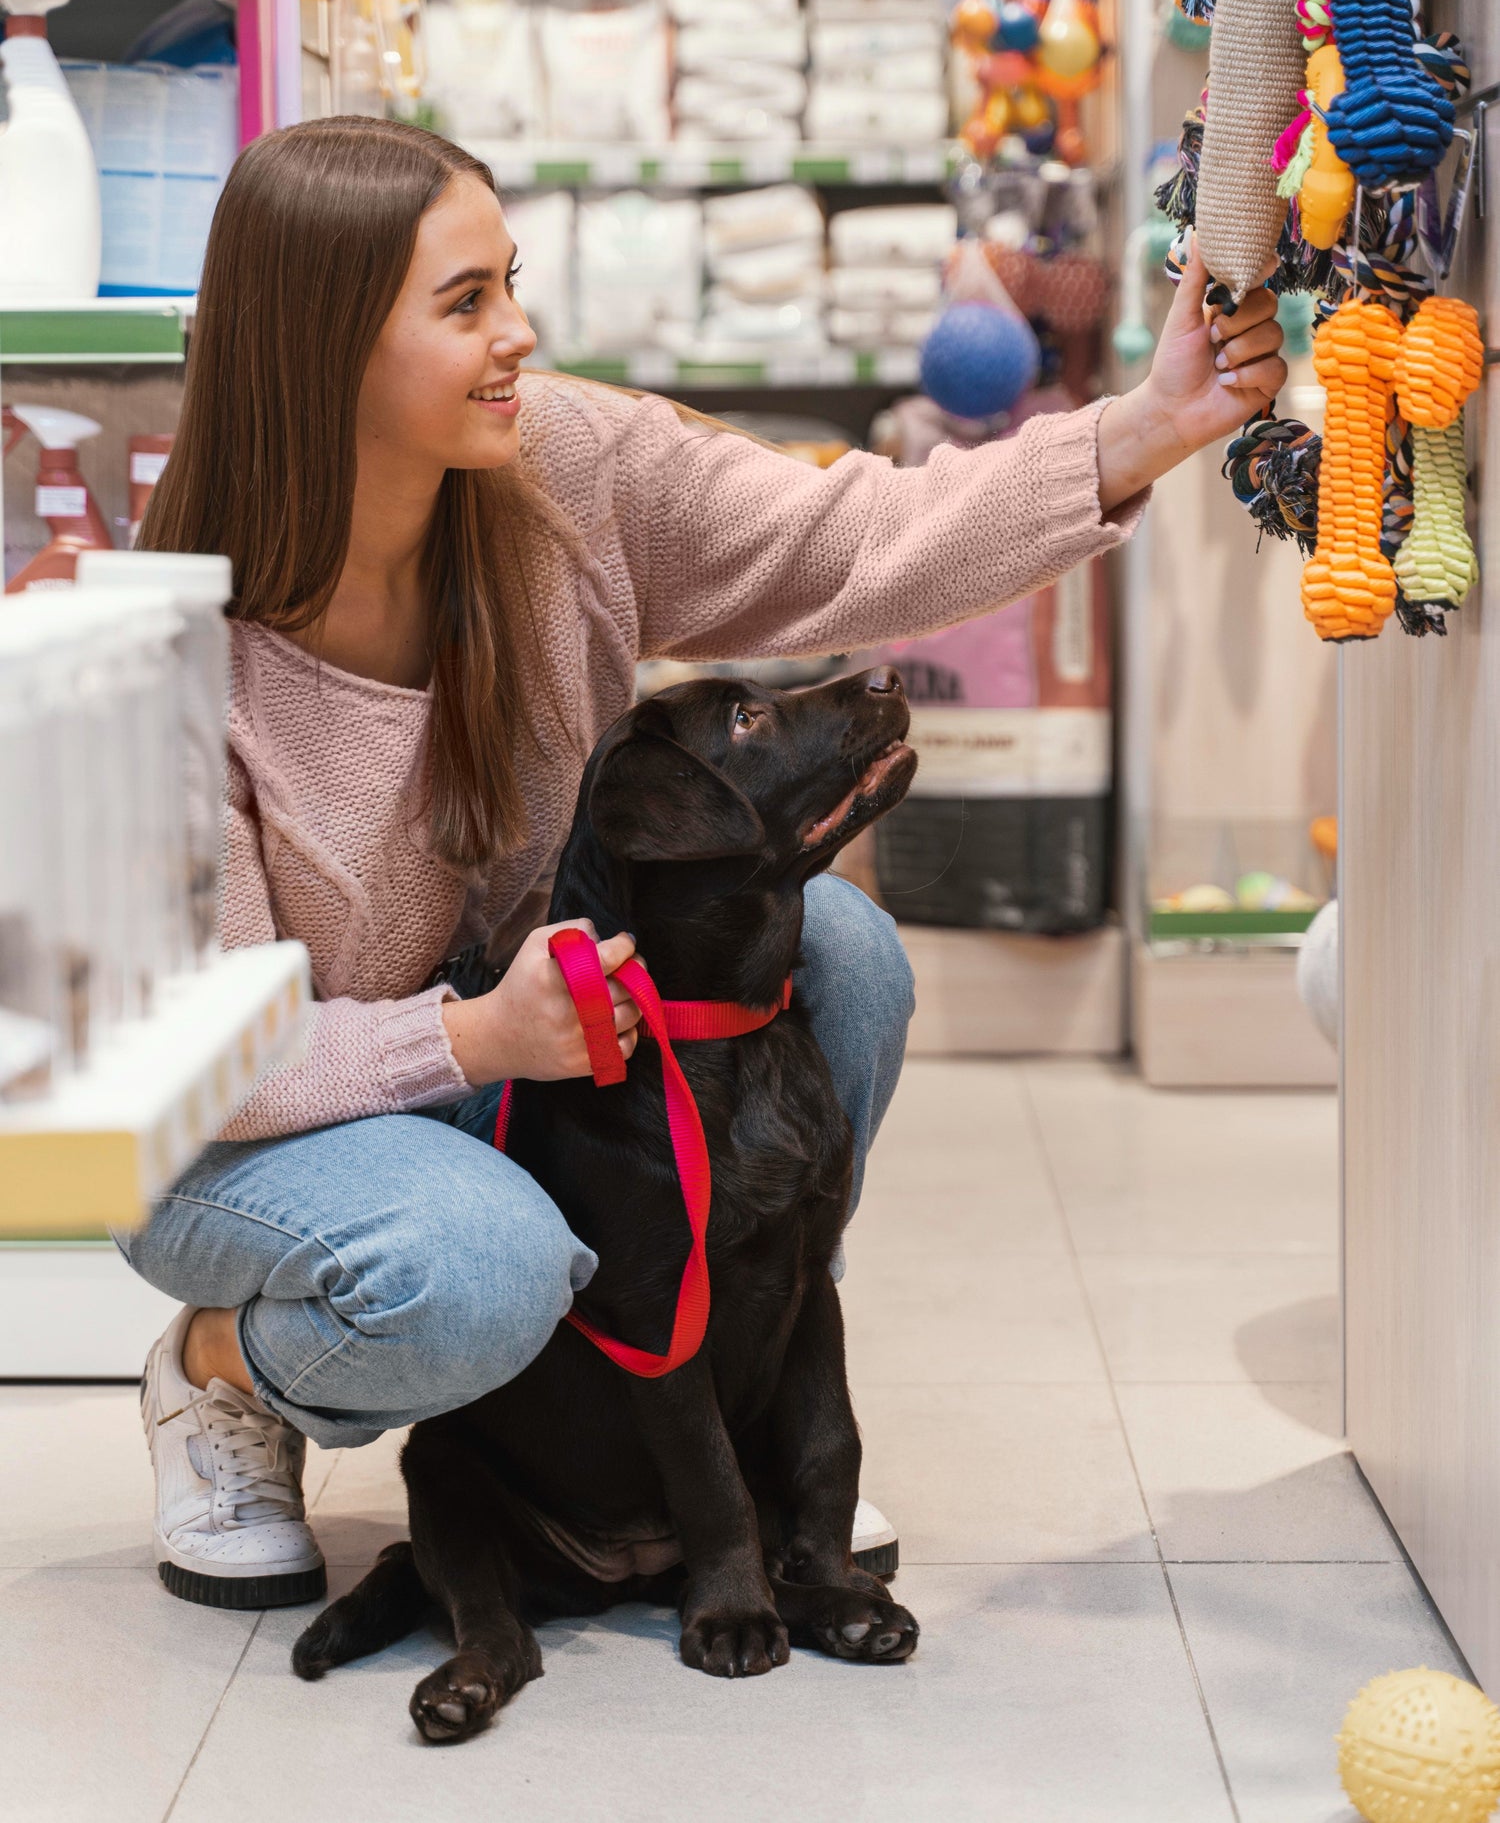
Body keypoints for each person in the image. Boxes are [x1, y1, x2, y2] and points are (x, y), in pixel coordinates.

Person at [119, 117, 1286, 1610]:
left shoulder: (567, 472)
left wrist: (1141, 430)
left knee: (838, 959)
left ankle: (747, 1402)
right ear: (322, 343)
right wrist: (475, 1036)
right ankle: (221, 1374)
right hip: (236, 1133)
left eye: (510, 285)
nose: (519, 334)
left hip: (498, 1033)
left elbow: (848, 541)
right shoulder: (179, 659)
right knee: (476, 1270)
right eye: (464, 303)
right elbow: (199, 1056)